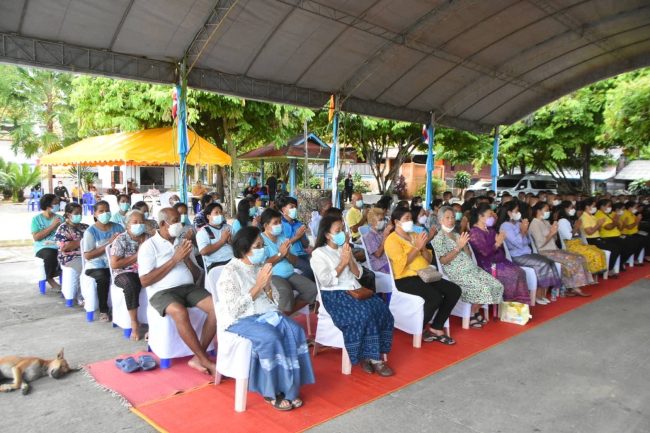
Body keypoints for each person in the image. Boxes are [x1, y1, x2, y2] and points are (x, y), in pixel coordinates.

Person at [216, 226, 315, 410]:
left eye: (262, 245)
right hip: (241, 319)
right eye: (258, 246)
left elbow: (274, 300)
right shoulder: (230, 272)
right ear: (245, 249)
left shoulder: (259, 267)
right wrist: (258, 286)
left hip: (266, 314)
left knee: (296, 331)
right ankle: (271, 392)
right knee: (271, 337)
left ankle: (290, 388)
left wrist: (267, 286)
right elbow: (234, 310)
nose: (262, 250)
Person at [310, 216, 395, 376]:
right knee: (364, 314)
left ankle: (370, 355)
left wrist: (349, 260)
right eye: (337, 231)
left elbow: (359, 274)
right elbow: (326, 281)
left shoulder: (345, 248)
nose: (342, 233)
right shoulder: (319, 254)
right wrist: (342, 263)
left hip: (356, 290)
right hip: (335, 295)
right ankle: (373, 359)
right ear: (327, 235)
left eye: (342, 229)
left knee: (383, 310)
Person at [138, 207, 216, 375]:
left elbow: (196, 275)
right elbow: (145, 281)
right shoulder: (148, 246)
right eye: (175, 221)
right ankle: (204, 359)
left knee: (216, 308)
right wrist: (174, 259)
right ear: (162, 224)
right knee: (179, 312)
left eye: (180, 220)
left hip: (188, 288)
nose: (179, 225)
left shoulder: (181, 242)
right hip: (162, 292)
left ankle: (198, 357)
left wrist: (186, 258)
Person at [384, 207, 461, 344]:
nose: (410, 221)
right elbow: (402, 264)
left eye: (410, 218)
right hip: (405, 279)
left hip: (425, 274)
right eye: (406, 219)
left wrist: (423, 247)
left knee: (454, 290)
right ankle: (419, 328)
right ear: (396, 221)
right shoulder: (392, 240)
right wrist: (417, 248)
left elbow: (427, 259)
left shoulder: (414, 234)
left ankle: (436, 326)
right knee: (435, 297)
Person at [433, 207, 503, 327]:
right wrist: (458, 247)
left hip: (471, 269)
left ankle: (475, 311)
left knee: (497, 285)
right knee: (484, 288)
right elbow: (443, 260)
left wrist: (465, 245)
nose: (451, 220)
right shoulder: (438, 239)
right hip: (457, 273)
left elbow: (469, 255)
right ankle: (471, 314)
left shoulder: (456, 234)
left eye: (453, 217)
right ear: (440, 220)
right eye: (447, 218)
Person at [497, 201, 562, 304]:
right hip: (517, 256)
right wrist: (523, 231)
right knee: (542, 264)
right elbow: (517, 243)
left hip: (527, 253)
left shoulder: (518, 223)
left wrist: (524, 231)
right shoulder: (505, 226)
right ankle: (537, 295)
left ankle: (544, 293)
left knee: (549, 262)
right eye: (516, 211)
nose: (518, 213)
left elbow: (527, 241)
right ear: (509, 213)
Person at [469, 204, 530, 304]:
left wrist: (499, 243)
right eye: (489, 215)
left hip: (499, 261)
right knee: (513, 274)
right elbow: (484, 252)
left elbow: (500, 248)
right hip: (487, 265)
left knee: (521, 272)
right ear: (481, 217)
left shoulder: (490, 230)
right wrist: (497, 244)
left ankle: (518, 304)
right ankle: (510, 303)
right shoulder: (475, 232)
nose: (492, 218)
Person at [528, 202, 593, 296]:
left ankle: (571, 286)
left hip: (554, 249)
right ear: (538, 211)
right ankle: (573, 288)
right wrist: (551, 233)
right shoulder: (534, 223)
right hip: (544, 252)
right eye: (546, 210)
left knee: (579, 257)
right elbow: (540, 243)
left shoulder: (545, 222)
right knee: (571, 260)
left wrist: (554, 232)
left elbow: (554, 239)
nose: (548, 212)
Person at [260, 209, 317, 314]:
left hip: (290, 273)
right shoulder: (261, 240)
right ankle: (281, 318)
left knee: (312, 289)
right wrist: (280, 254)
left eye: (279, 222)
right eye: (275, 223)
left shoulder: (282, 237)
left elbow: (294, 261)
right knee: (286, 292)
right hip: (273, 275)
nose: (279, 225)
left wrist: (287, 254)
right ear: (266, 225)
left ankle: (289, 311)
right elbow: (264, 264)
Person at [82, 200, 125, 322]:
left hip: (116, 263)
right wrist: (109, 243)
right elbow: (88, 255)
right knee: (103, 278)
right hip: (96, 266)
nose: (105, 213)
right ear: (95, 214)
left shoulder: (118, 227)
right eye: (101, 211)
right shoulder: (91, 232)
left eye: (107, 210)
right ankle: (104, 310)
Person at [110, 211, 150, 340]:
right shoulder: (121, 239)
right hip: (124, 273)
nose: (139, 225)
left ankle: (155, 323)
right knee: (130, 284)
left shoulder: (150, 238)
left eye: (142, 222)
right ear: (127, 226)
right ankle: (134, 322)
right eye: (135, 222)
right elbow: (115, 264)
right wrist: (137, 255)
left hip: (147, 271)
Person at [555, 201, 607, 275]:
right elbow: (569, 237)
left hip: (577, 243)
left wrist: (578, 228)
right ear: (565, 209)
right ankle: (590, 273)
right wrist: (576, 227)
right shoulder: (562, 221)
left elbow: (577, 234)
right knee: (594, 254)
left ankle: (593, 274)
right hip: (570, 246)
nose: (574, 210)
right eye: (571, 208)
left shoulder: (570, 219)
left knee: (599, 252)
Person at [31, 194, 64, 291]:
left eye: (58, 203)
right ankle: (50, 279)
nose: (57, 205)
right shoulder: (36, 219)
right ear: (47, 205)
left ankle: (68, 281)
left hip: (58, 245)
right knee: (50, 254)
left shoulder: (60, 218)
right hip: (42, 248)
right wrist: (52, 226)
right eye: (55, 203)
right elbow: (36, 237)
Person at [594, 199, 639, 268]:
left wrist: (617, 222)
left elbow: (619, 227)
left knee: (633, 244)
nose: (610, 207)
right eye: (608, 206)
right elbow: (608, 227)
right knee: (618, 248)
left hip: (617, 235)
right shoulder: (599, 214)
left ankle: (621, 262)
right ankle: (611, 267)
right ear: (602, 206)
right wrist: (615, 221)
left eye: (610, 206)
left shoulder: (611, 214)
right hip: (607, 237)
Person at [278, 196, 314, 280]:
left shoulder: (298, 224)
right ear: (283, 210)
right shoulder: (279, 225)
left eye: (295, 207)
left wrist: (302, 236)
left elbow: (305, 245)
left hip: (302, 254)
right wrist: (297, 236)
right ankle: (305, 287)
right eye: (291, 207)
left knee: (318, 263)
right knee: (309, 269)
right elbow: (282, 246)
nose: (294, 209)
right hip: (290, 256)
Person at [197, 202, 234, 271]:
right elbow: (203, 251)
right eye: (216, 213)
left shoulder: (228, 227)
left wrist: (231, 242)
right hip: (217, 264)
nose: (219, 214)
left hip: (233, 260)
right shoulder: (203, 231)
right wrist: (222, 241)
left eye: (220, 212)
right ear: (208, 216)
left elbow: (238, 246)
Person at [55, 202, 88, 278]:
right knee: (87, 268)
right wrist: (83, 241)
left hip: (87, 255)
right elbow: (64, 248)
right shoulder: (63, 228)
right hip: (70, 257)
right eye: (76, 213)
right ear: (68, 214)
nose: (79, 215)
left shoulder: (85, 227)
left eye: (80, 213)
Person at [362, 208, 393, 274]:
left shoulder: (381, 232)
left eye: (383, 219)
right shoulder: (368, 237)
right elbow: (378, 254)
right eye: (380, 220)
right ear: (372, 221)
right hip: (380, 265)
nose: (383, 222)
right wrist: (385, 238)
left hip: (388, 260)